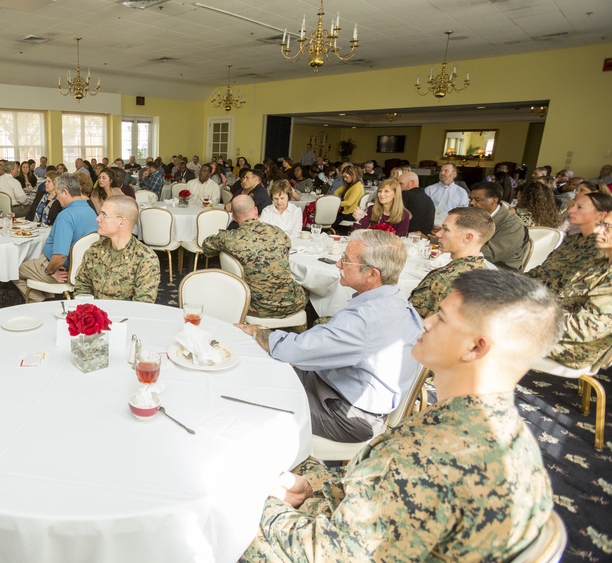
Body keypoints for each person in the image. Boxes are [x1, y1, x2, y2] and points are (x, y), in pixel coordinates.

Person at [241, 269, 563, 562]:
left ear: (475, 348)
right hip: (391, 538)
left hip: (343, 549)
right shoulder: (501, 427)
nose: (426, 323)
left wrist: (254, 498)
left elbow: (330, 553)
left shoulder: (430, 453)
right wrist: (312, 486)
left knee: (221, 516)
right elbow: (389, 500)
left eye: (442, 318)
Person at [238, 230, 423, 442]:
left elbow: (295, 350)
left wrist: (257, 331)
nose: (338, 264)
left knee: (253, 395)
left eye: (346, 260)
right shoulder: (397, 301)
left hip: (347, 415)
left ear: (372, 274)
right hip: (338, 387)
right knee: (261, 369)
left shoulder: (365, 319)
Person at [203, 195, 306, 320]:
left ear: (234, 217)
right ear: (256, 211)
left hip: (255, 307)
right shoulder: (279, 233)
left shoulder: (229, 239)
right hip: (292, 304)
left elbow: (206, 247)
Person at [14, 173, 97, 302]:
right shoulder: (90, 210)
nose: (57, 199)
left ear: (65, 192)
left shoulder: (66, 216)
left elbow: (60, 257)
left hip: (64, 271)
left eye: (57, 194)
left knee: (15, 271)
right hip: (82, 269)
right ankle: (51, 298)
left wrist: (49, 271)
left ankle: (42, 304)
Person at [543, 214, 612, 368]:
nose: (598, 230)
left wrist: (535, 318)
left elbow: (588, 327)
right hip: (557, 328)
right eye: (601, 224)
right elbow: (560, 290)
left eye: (607, 226)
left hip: (574, 347)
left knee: (493, 331)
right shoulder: (600, 264)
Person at [409, 207, 495, 318]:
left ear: (467, 238)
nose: (439, 234)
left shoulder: (444, 278)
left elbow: (413, 321)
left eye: (446, 229)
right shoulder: (488, 276)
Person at [74, 195, 159, 302]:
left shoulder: (146, 258)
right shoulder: (95, 249)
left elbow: (142, 305)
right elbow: (82, 286)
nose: (98, 218)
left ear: (122, 223)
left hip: (126, 317)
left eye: (104, 215)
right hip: (95, 315)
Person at [467, 181, 529, 270]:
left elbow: (491, 254)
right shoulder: (476, 214)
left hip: (500, 270)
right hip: (475, 260)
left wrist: (458, 243)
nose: (472, 203)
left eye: (477, 199)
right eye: (471, 199)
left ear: (494, 200)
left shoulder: (513, 225)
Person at [398, 171, 434, 236]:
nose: (398, 187)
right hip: (424, 239)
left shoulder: (405, 195)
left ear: (411, 183)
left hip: (408, 237)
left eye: (401, 184)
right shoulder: (427, 198)